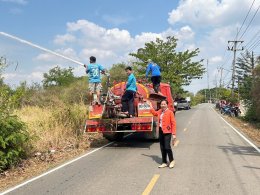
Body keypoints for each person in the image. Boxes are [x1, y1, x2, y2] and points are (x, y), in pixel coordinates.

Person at [150, 99, 176, 168]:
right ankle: (164, 162)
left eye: (164, 104)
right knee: (162, 147)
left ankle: (172, 160)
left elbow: (173, 123)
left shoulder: (170, 112)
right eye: (162, 104)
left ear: (167, 105)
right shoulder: (160, 111)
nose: (163, 105)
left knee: (167, 147)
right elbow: (155, 113)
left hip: (168, 132)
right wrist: (150, 107)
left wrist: (174, 134)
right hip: (161, 131)